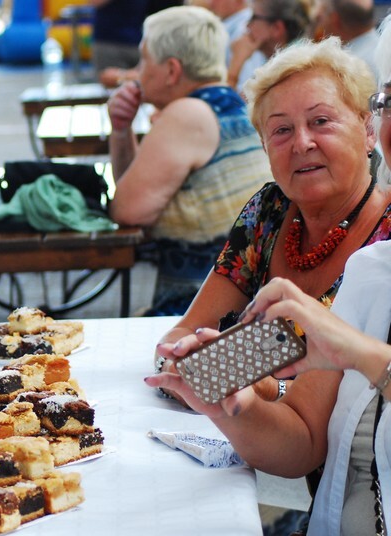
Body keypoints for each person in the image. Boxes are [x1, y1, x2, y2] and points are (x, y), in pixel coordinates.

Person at [148, 30, 391, 535]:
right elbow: (183, 341)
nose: (302, 142)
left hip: (332, 485)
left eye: (321, 121)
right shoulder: (269, 212)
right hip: (268, 458)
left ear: (369, 130)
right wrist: (223, 377)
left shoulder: (379, 251)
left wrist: (245, 369)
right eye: (280, 131)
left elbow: (308, 424)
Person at [107, 5, 272, 315]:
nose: (138, 73)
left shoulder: (187, 114)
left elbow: (128, 211)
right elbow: (136, 193)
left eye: (144, 59)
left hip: (201, 308)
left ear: (172, 70)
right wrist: (121, 130)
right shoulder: (231, 102)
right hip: (243, 301)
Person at [227, 0, 312, 89]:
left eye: (254, 17)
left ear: (276, 28)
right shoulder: (277, 61)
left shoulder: (293, 69)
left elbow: (231, 102)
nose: (247, 25)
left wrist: (235, 65)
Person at [314, 0, 379, 77]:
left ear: (335, 20)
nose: (319, 24)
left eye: (320, 17)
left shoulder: (346, 69)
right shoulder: (384, 50)